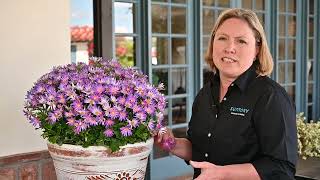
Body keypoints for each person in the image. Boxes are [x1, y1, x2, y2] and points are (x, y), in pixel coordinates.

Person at [155, 8, 297, 180]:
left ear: (257, 49)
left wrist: (223, 173)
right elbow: (199, 149)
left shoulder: (271, 96)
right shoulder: (205, 94)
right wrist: (172, 144)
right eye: (222, 38)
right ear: (213, 43)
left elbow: (281, 168)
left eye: (241, 41)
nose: (230, 48)